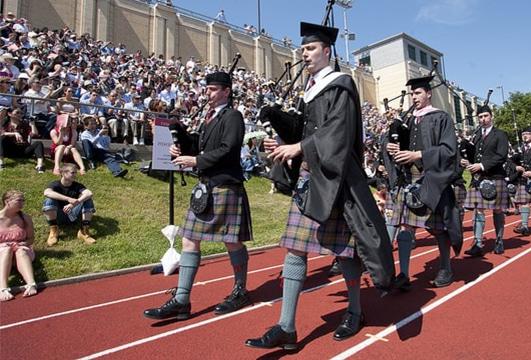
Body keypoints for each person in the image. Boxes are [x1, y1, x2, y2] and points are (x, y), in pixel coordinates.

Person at [245, 22, 395, 350]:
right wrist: (276, 119)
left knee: (344, 251)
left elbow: (338, 132)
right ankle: (287, 326)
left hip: (336, 178)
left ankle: (355, 311)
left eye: (310, 49)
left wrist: (299, 148)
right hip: (310, 178)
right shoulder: (311, 88)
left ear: (327, 51)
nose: (304, 53)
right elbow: (302, 127)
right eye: (302, 49)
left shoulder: (341, 84)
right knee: (295, 247)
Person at [143, 71, 253, 321]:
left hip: (226, 186)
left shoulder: (233, 116)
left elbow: (229, 148)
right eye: (207, 89)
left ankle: (240, 290)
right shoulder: (209, 119)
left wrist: (196, 160)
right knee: (189, 239)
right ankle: (182, 299)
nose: (208, 93)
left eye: (213, 89)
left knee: (231, 241)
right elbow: (198, 145)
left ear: (226, 91)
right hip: (206, 187)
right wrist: (180, 137)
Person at [385, 75, 463, 288]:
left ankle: (446, 268)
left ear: (429, 93)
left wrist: (418, 155)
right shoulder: (408, 120)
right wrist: (394, 149)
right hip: (408, 179)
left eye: (417, 92)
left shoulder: (441, 117)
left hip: (432, 179)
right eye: (411, 93)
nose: (414, 97)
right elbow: (398, 145)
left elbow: (449, 151)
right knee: (405, 226)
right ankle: (403, 274)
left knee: (438, 229)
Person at [462, 105, 510, 256]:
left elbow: (501, 156)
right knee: (478, 210)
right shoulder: (476, 136)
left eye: (485, 116)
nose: (483, 119)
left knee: (497, 210)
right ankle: (477, 243)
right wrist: (466, 161)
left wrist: (481, 166)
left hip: (495, 176)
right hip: (479, 178)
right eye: (480, 117)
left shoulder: (500, 134)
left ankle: (499, 240)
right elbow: (474, 156)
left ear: (491, 116)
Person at [42, 163, 96, 246]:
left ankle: (84, 231)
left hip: (73, 215)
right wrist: (68, 199)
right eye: (72, 173)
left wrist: (73, 204)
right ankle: (54, 231)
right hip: (58, 217)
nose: (75, 175)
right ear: (63, 173)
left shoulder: (77, 185)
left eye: (76, 173)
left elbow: (89, 193)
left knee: (88, 199)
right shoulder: (55, 184)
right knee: (49, 200)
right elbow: (47, 192)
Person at [0, 190, 38, 301]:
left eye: (23, 200)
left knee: (21, 251)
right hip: (2, 252)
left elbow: (31, 239)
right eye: (19, 200)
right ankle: (2, 288)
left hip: (22, 250)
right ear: (7, 201)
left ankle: (31, 284)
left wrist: (22, 243)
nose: (22, 203)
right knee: (6, 249)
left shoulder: (25, 218)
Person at [0, 107, 45, 172]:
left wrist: (32, 124)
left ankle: (39, 166)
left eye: (21, 113)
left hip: (23, 149)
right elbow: (2, 133)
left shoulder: (24, 124)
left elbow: (34, 134)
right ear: (9, 114)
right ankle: (1, 162)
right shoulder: (5, 124)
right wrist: (14, 133)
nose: (19, 115)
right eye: (17, 112)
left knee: (38, 143)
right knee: (1, 138)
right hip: (9, 149)